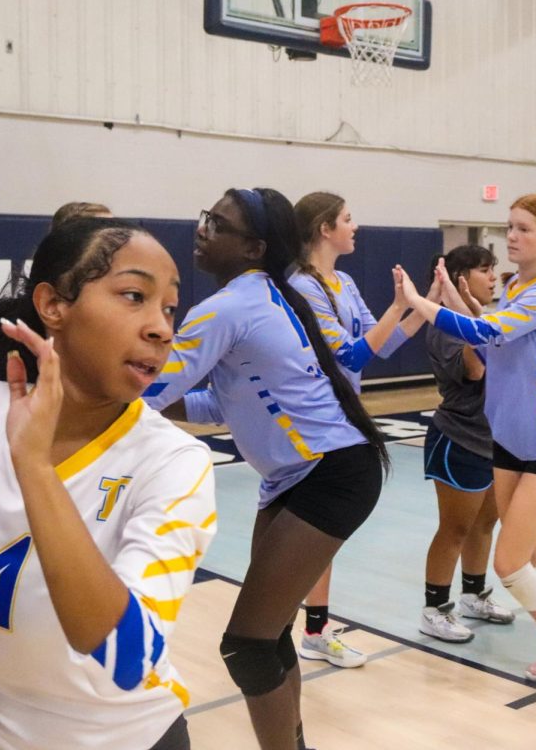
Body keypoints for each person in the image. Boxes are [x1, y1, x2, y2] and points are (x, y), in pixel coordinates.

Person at [0, 217, 213, 750]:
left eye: (169, 308)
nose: (162, 328)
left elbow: (129, 657)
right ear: (54, 305)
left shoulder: (175, 462)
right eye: (134, 296)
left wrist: (34, 466)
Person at [144, 188, 391, 749]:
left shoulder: (230, 306)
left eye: (218, 224)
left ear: (253, 246)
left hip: (332, 473)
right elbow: (214, 406)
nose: (203, 229)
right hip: (303, 475)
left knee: (247, 646)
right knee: (268, 636)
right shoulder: (260, 297)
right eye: (205, 217)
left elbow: (148, 390)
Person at [399, 193, 536, 700]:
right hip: (508, 443)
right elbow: (489, 342)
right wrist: (456, 302)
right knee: (534, 557)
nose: (513, 236)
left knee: (509, 563)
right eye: (511, 227)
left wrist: (422, 304)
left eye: (524, 229)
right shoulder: (518, 288)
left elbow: (487, 331)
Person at [288, 192, 431, 666]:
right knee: (317, 529)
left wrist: (420, 306)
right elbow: (349, 355)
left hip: (344, 419)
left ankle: (312, 629)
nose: (355, 226)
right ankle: (306, 629)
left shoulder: (344, 280)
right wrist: (396, 306)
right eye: (347, 219)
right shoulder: (304, 287)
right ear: (325, 229)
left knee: (325, 531)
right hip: (318, 422)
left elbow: (384, 345)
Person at [416, 244, 515, 642]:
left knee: (485, 523)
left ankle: (474, 594)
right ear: (460, 280)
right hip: (458, 439)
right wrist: (476, 323)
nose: (494, 277)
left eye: (494, 270)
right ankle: (434, 608)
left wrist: (482, 319)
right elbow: (475, 371)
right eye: (484, 270)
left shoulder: (484, 319)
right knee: (454, 529)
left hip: (492, 440)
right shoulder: (444, 327)